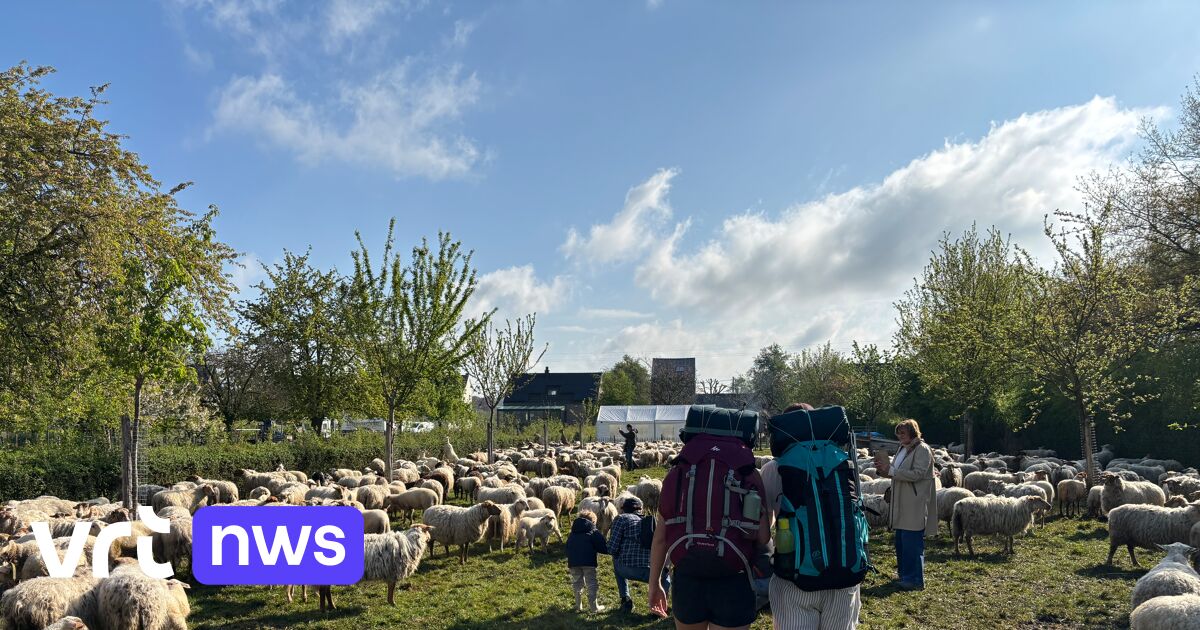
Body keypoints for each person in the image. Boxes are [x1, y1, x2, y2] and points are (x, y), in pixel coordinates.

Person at [648, 431, 770, 629]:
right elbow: (763, 538)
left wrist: (655, 585)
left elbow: (660, 538)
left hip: (688, 576)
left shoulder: (677, 473)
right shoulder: (750, 474)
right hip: (733, 578)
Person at [762, 403, 862, 629]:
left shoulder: (773, 468)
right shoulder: (842, 464)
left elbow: (765, 526)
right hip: (844, 570)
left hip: (795, 574)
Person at [878, 418, 937, 590]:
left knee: (912, 542)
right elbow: (897, 472)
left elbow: (918, 473)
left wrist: (892, 471)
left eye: (903, 433)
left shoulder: (922, 450)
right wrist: (884, 470)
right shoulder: (903, 449)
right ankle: (905, 575)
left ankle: (915, 580)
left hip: (914, 501)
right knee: (902, 542)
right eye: (898, 434)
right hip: (901, 501)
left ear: (912, 432)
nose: (900, 437)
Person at [608, 496, 668, 613]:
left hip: (627, 569)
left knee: (615, 558)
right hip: (653, 574)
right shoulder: (650, 522)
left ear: (623, 509)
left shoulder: (621, 518)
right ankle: (660, 606)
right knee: (667, 578)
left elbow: (612, 548)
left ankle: (625, 599)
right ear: (640, 510)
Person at [566, 510, 609, 613]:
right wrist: (609, 550)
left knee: (577, 582)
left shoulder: (573, 532)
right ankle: (594, 607)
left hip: (574, 562)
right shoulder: (593, 531)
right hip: (588, 562)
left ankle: (578, 606)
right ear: (593, 521)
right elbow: (602, 546)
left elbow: (567, 547)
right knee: (591, 582)